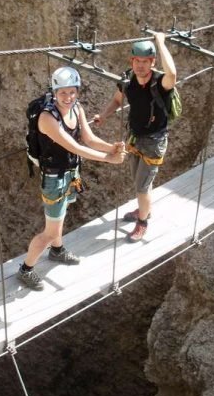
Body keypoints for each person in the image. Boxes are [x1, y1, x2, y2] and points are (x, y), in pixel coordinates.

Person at [19, 66, 126, 291]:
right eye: (63, 93)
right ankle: (26, 269)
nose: (68, 97)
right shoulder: (47, 119)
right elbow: (74, 146)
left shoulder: (77, 109)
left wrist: (111, 147)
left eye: (72, 92)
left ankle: (57, 251)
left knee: (61, 215)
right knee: (50, 232)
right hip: (54, 178)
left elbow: (88, 138)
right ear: (55, 92)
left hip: (70, 173)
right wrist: (109, 158)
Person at [94, 32, 177, 243]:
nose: (140, 65)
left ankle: (143, 222)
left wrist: (160, 42)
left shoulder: (160, 83)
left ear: (152, 62)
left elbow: (173, 74)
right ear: (132, 61)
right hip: (136, 138)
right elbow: (117, 99)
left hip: (154, 142)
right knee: (138, 181)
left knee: (142, 186)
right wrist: (103, 116)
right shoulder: (128, 79)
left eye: (145, 61)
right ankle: (143, 209)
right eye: (137, 61)